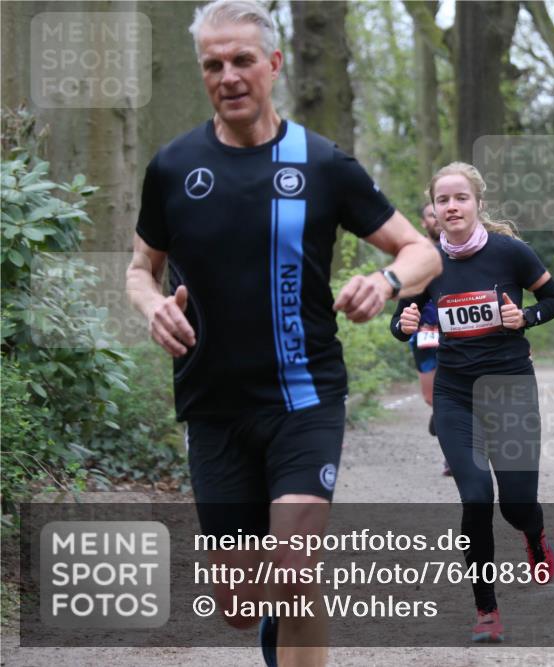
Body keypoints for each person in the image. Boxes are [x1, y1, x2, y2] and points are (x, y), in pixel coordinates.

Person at [124, 2, 441, 665]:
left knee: (295, 569)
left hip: (305, 398)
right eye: (213, 64)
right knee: (241, 604)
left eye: (242, 60)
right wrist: (151, 304)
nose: (229, 76)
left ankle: (292, 603)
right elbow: (138, 270)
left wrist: (384, 282)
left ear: (272, 63)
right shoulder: (173, 167)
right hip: (213, 406)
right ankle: (273, 611)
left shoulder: (321, 164)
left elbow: (421, 251)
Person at [390, 162, 554, 643]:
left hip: (510, 389)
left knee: (516, 506)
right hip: (455, 395)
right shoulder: (425, 262)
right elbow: (400, 319)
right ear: (434, 209)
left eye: (460, 198)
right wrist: (403, 324)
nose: (452, 207)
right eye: (443, 200)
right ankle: (486, 610)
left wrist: (522, 318)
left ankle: (533, 534)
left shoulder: (511, 253)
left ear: (478, 204)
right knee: (475, 498)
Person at [409, 202, 451, 475]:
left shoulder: (459, 249)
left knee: (456, 390)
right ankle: (442, 412)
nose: (436, 219)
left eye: (439, 215)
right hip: (424, 330)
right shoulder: (415, 253)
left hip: (454, 329)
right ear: (424, 222)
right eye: (430, 216)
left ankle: (453, 453)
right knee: (430, 396)